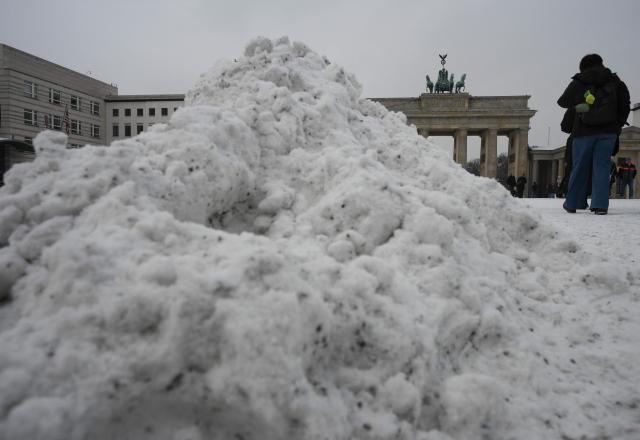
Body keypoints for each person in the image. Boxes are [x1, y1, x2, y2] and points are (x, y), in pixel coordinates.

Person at [558, 54, 630, 215]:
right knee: (602, 167)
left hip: (583, 131)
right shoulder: (616, 82)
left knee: (579, 167)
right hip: (608, 132)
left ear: (583, 67)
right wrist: (616, 125)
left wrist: (579, 105)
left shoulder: (580, 81)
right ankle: (600, 206)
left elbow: (563, 101)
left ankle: (573, 202)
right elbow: (625, 106)